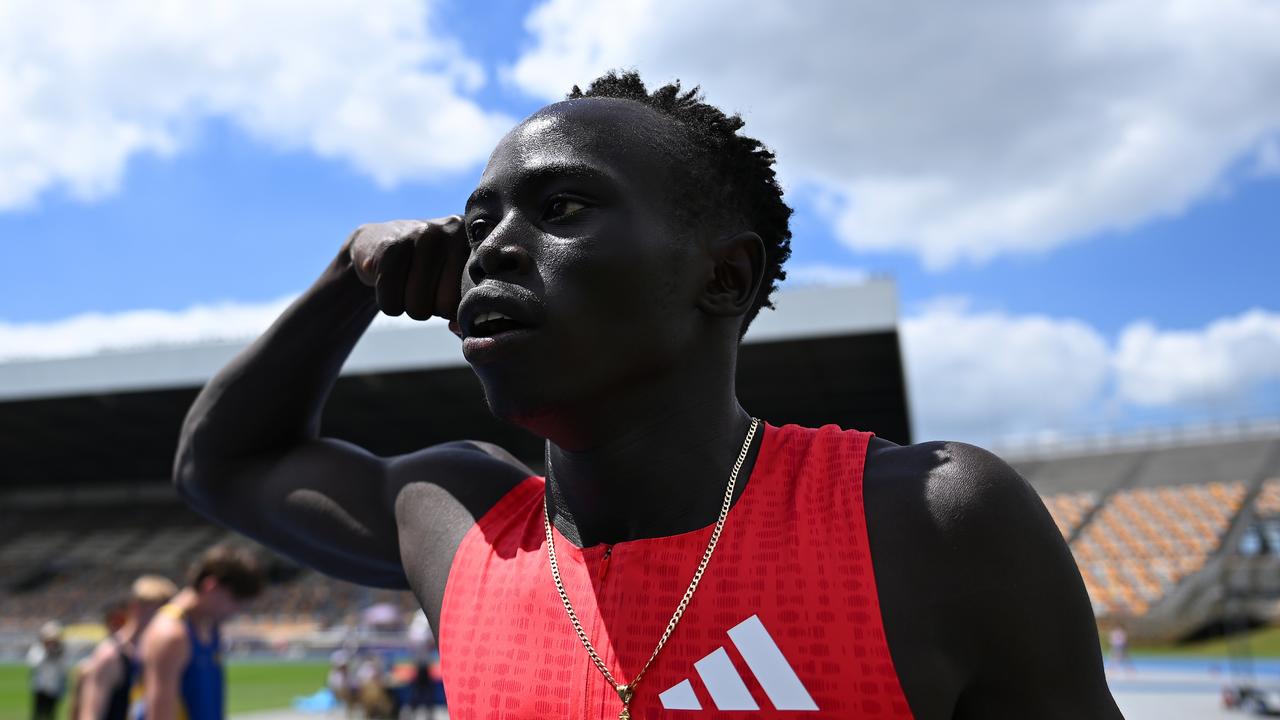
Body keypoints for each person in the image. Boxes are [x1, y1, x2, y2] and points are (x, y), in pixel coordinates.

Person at [175, 71, 1122, 717]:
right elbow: (222, 463)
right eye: (477, 222)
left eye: (562, 210)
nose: (491, 249)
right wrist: (348, 275)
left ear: (724, 277)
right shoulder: (457, 522)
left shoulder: (927, 520)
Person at [135, 545, 264, 720]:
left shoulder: (210, 627)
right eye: (235, 601)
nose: (236, 611)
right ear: (211, 586)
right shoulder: (171, 635)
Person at [75, 576, 178, 720]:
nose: (166, 620)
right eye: (159, 610)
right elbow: (90, 715)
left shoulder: (151, 653)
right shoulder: (110, 655)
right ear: (136, 607)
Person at [27, 621, 70, 720]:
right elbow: (33, 663)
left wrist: (57, 654)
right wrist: (47, 653)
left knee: (51, 714)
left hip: (55, 687)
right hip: (40, 687)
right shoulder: (38, 649)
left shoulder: (61, 650)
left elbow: (63, 668)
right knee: (38, 714)